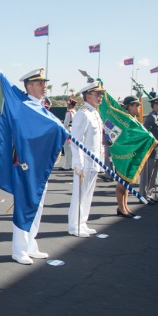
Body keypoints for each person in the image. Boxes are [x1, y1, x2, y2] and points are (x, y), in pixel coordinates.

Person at [10, 68, 52, 263]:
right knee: (24, 206)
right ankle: (19, 249)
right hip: (26, 165)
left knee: (37, 205)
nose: (44, 86)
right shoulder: (24, 107)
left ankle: (30, 244)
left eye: (44, 83)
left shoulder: (41, 107)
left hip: (40, 165)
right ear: (29, 86)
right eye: (40, 83)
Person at [68, 81, 105, 237]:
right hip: (84, 163)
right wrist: (78, 162)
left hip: (94, 162)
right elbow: (76, 141)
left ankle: (82, 223)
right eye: (97, 94)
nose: (100, 97)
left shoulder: (94, 113)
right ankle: (74, 226)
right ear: (88, 95)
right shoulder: (82, 113)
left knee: (87, 196)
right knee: (79, 195)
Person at [139, 95, 158, 204]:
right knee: (147, 174)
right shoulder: (151, 117)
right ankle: (143, 196)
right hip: (151, 150)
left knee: (153, 175)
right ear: (155, 105)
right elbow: (145, 134)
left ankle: (149, 194)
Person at [115, 96, 139, 218]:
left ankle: (125, 206)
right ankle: (120, 207)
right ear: (129, 106)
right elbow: (112, 135)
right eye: (136, 105)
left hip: (132, 153)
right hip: (123, 154)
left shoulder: (134, 118)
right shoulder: (121, 118)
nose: (138, 107)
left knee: (127, 183)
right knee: (121, 183)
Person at [58, 97, 76, 171]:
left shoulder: (69, 112)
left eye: (68, 104)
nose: (67, 105)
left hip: (68, 131)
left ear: (70, 105)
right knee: (71, 149)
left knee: (67, 149)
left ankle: (67, 165)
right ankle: (71, 164)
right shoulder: (75, 111)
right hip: (73, 131)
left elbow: (66, 124)